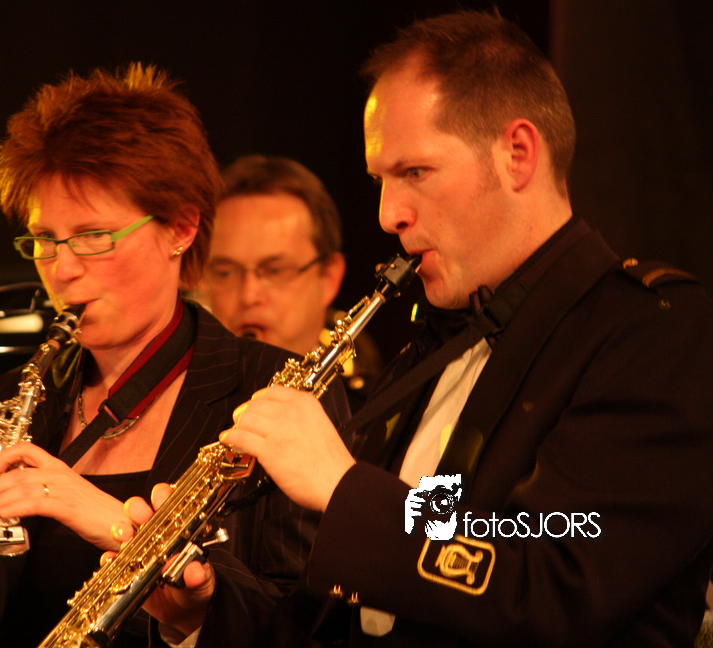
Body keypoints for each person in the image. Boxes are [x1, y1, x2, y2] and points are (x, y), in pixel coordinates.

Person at [121, 10, 713, 647]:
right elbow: (365, 622)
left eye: (415, 173)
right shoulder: (439, 346)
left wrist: (343, 489)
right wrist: (202, 615)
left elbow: (554, 587)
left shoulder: (656, 334)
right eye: (380, 180)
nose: (387, 214)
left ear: (518, 154)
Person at [0, 64, 350, 648]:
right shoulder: (4, 404)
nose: (62, 269)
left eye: (93, 236)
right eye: (45, 239)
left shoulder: (278, 394)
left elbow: (314, 631)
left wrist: (114, 524)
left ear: (180, 228)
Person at [200, 154, 383, 409]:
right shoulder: (177, 404)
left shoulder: (370, 412)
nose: (249, 295)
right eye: (225, 272)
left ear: (329, 277)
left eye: (275, 270)